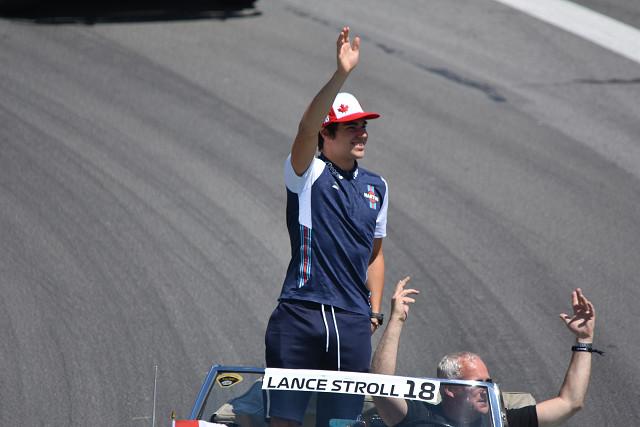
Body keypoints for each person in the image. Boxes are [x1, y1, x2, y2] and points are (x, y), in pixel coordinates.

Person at [265, 27, 389, 427]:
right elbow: (304, 129)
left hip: (352, 321)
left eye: (363, 125)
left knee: (342, 424)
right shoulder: (305, 172)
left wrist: (373, 313)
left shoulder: (378, 186)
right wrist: (341, 74)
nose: (362, 132)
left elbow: (376, 254)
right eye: (351, 126)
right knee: (284, 421)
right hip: (300, 313)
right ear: (327, 132)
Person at [371, 277, 600, 427]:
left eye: (488, 383)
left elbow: (570, 402)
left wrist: (584, 339)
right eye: (478, 384)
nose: (485, 391)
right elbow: (380, 384)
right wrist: (397, 319)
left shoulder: (500, 420)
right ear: (450, 389)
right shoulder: (419, 416)